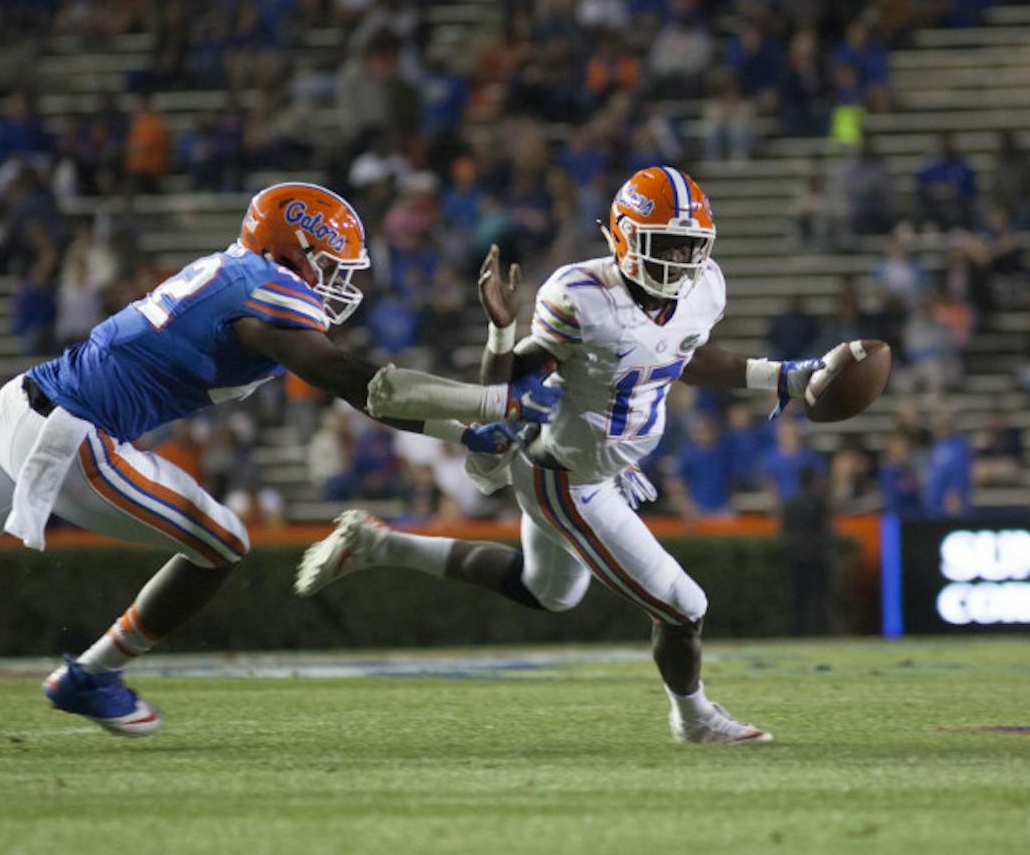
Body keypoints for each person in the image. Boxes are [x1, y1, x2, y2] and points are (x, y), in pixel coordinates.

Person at [0, 184, 559, 735]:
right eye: (330, 264)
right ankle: (90, 673)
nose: (338, 284)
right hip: (70, 431)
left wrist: (467, 425)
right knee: (222, 541)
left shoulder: (234, 273)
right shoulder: (268, 289)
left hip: (22, 405)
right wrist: (485, 407)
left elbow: (356, 385)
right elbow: (364, 385)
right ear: (292, 252)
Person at [299, 167, 865, 745]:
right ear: (621, 237)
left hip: (598, 464)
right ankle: (694, 719)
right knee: (683, 606)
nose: (677, 259)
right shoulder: (580, 297)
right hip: (564, 474)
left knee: (548, 590)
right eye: (662, 244)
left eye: (689, 246)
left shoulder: (704, 287)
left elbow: (686, 355)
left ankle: (377, 543)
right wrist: (502, 331)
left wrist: (785, 378)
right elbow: (501, 398)